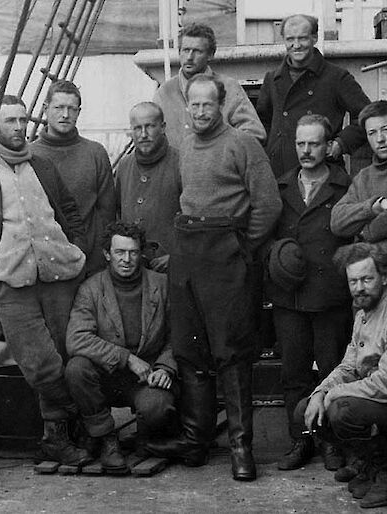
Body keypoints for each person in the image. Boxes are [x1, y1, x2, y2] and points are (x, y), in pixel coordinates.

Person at [147, 74, 281, 481]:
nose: (201, 111)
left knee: (232, 352)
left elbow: (268, 205)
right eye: (194, 104)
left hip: (228, 255)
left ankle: (241, 448)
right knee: (190, 351)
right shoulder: (185, 145)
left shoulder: (243, 145)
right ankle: (196, 441)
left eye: (208, 104)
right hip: (189, 253)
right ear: (186, 107)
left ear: (222, 105)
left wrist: (241, 247)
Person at [0, 95, 91, 467]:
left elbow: (68, 211)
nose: (18, 128)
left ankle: (58, 438)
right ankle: (85, 420)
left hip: (58, 276)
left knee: (67, 354)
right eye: (10, 121)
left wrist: (78, 251)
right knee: (40, 364)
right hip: (10, 282)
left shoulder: (44, 167)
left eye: (22, 120)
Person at [265, 114, 352, 471]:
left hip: (329, 297)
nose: (305, 150)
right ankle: (299, 442)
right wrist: (277, 257)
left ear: (327, 144)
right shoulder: (281, 186)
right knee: (293, 373)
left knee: (331, 370)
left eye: (313, 143)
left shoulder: (343, 187)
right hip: (290, 297)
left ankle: (331, 443)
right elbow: (265, 233)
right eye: (300, 143)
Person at [65, 221, 177, 473]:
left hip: (145, 377)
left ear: (141, 254)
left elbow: (178, 334)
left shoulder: (161, 284)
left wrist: (165, 368)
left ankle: (147, 437)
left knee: (157, 409)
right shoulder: (91, 289)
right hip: (105, 376)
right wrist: (126, 358)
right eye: (119, 252)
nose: (126, 259)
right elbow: (77, 338)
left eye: (133, 252)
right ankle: (106, 437)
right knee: (76, 368)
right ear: (107, 254)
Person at [292, 243, 387, 509]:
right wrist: (320, 393)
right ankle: (368, 465)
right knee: (305, 411)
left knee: (342, 411)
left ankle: (384, 472)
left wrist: (333, 395)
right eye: (353, 281)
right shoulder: (362, 314)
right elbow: (348, 367)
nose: (359, 288)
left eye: (367, 279)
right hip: (375, 399)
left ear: (384, 277)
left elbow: (385, 383)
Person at [256, 14, 370, 178]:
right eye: (290, 39)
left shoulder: (336, 77)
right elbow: (262, 123)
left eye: (302, 38)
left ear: (314, 38)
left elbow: (366, 116)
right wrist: (271, 151)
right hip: (280, 173)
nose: (296, 45)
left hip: (325, 172)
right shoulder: (272, 79)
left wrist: (341, 143)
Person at [31, 80, 115, 275]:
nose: (65, 115)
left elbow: (107, 212)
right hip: (44, 264)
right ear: (45, 109)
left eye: (72, 109)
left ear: (79, 112)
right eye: (59, 107)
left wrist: (98, 256)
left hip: (90, 263)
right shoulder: (30, 155)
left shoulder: (95, 153)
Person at [153, 22, 265, 149]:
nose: (189, 57)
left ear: (210, 55)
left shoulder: (229, 88)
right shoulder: (164, 92)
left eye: (197, 51)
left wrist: (220, 154)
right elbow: (152, 137)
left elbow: (254, 133)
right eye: (185, 50)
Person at [115, 102, 181, 273]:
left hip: (171, 270)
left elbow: (195, 219)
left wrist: (177, 256)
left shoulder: (181, 163)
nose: (143, 134)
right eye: (137, 128)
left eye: (150, 126)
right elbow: (117, 214)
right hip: (132, 270)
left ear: (163, 127)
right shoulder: (124, 166)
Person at [331, 100, 387, 251]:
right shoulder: (364, 177)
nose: (380, 138)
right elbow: (337, 222)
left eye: (385, 129)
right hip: (372, 270)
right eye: (372, 133)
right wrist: (375, 207)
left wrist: (365, 233)